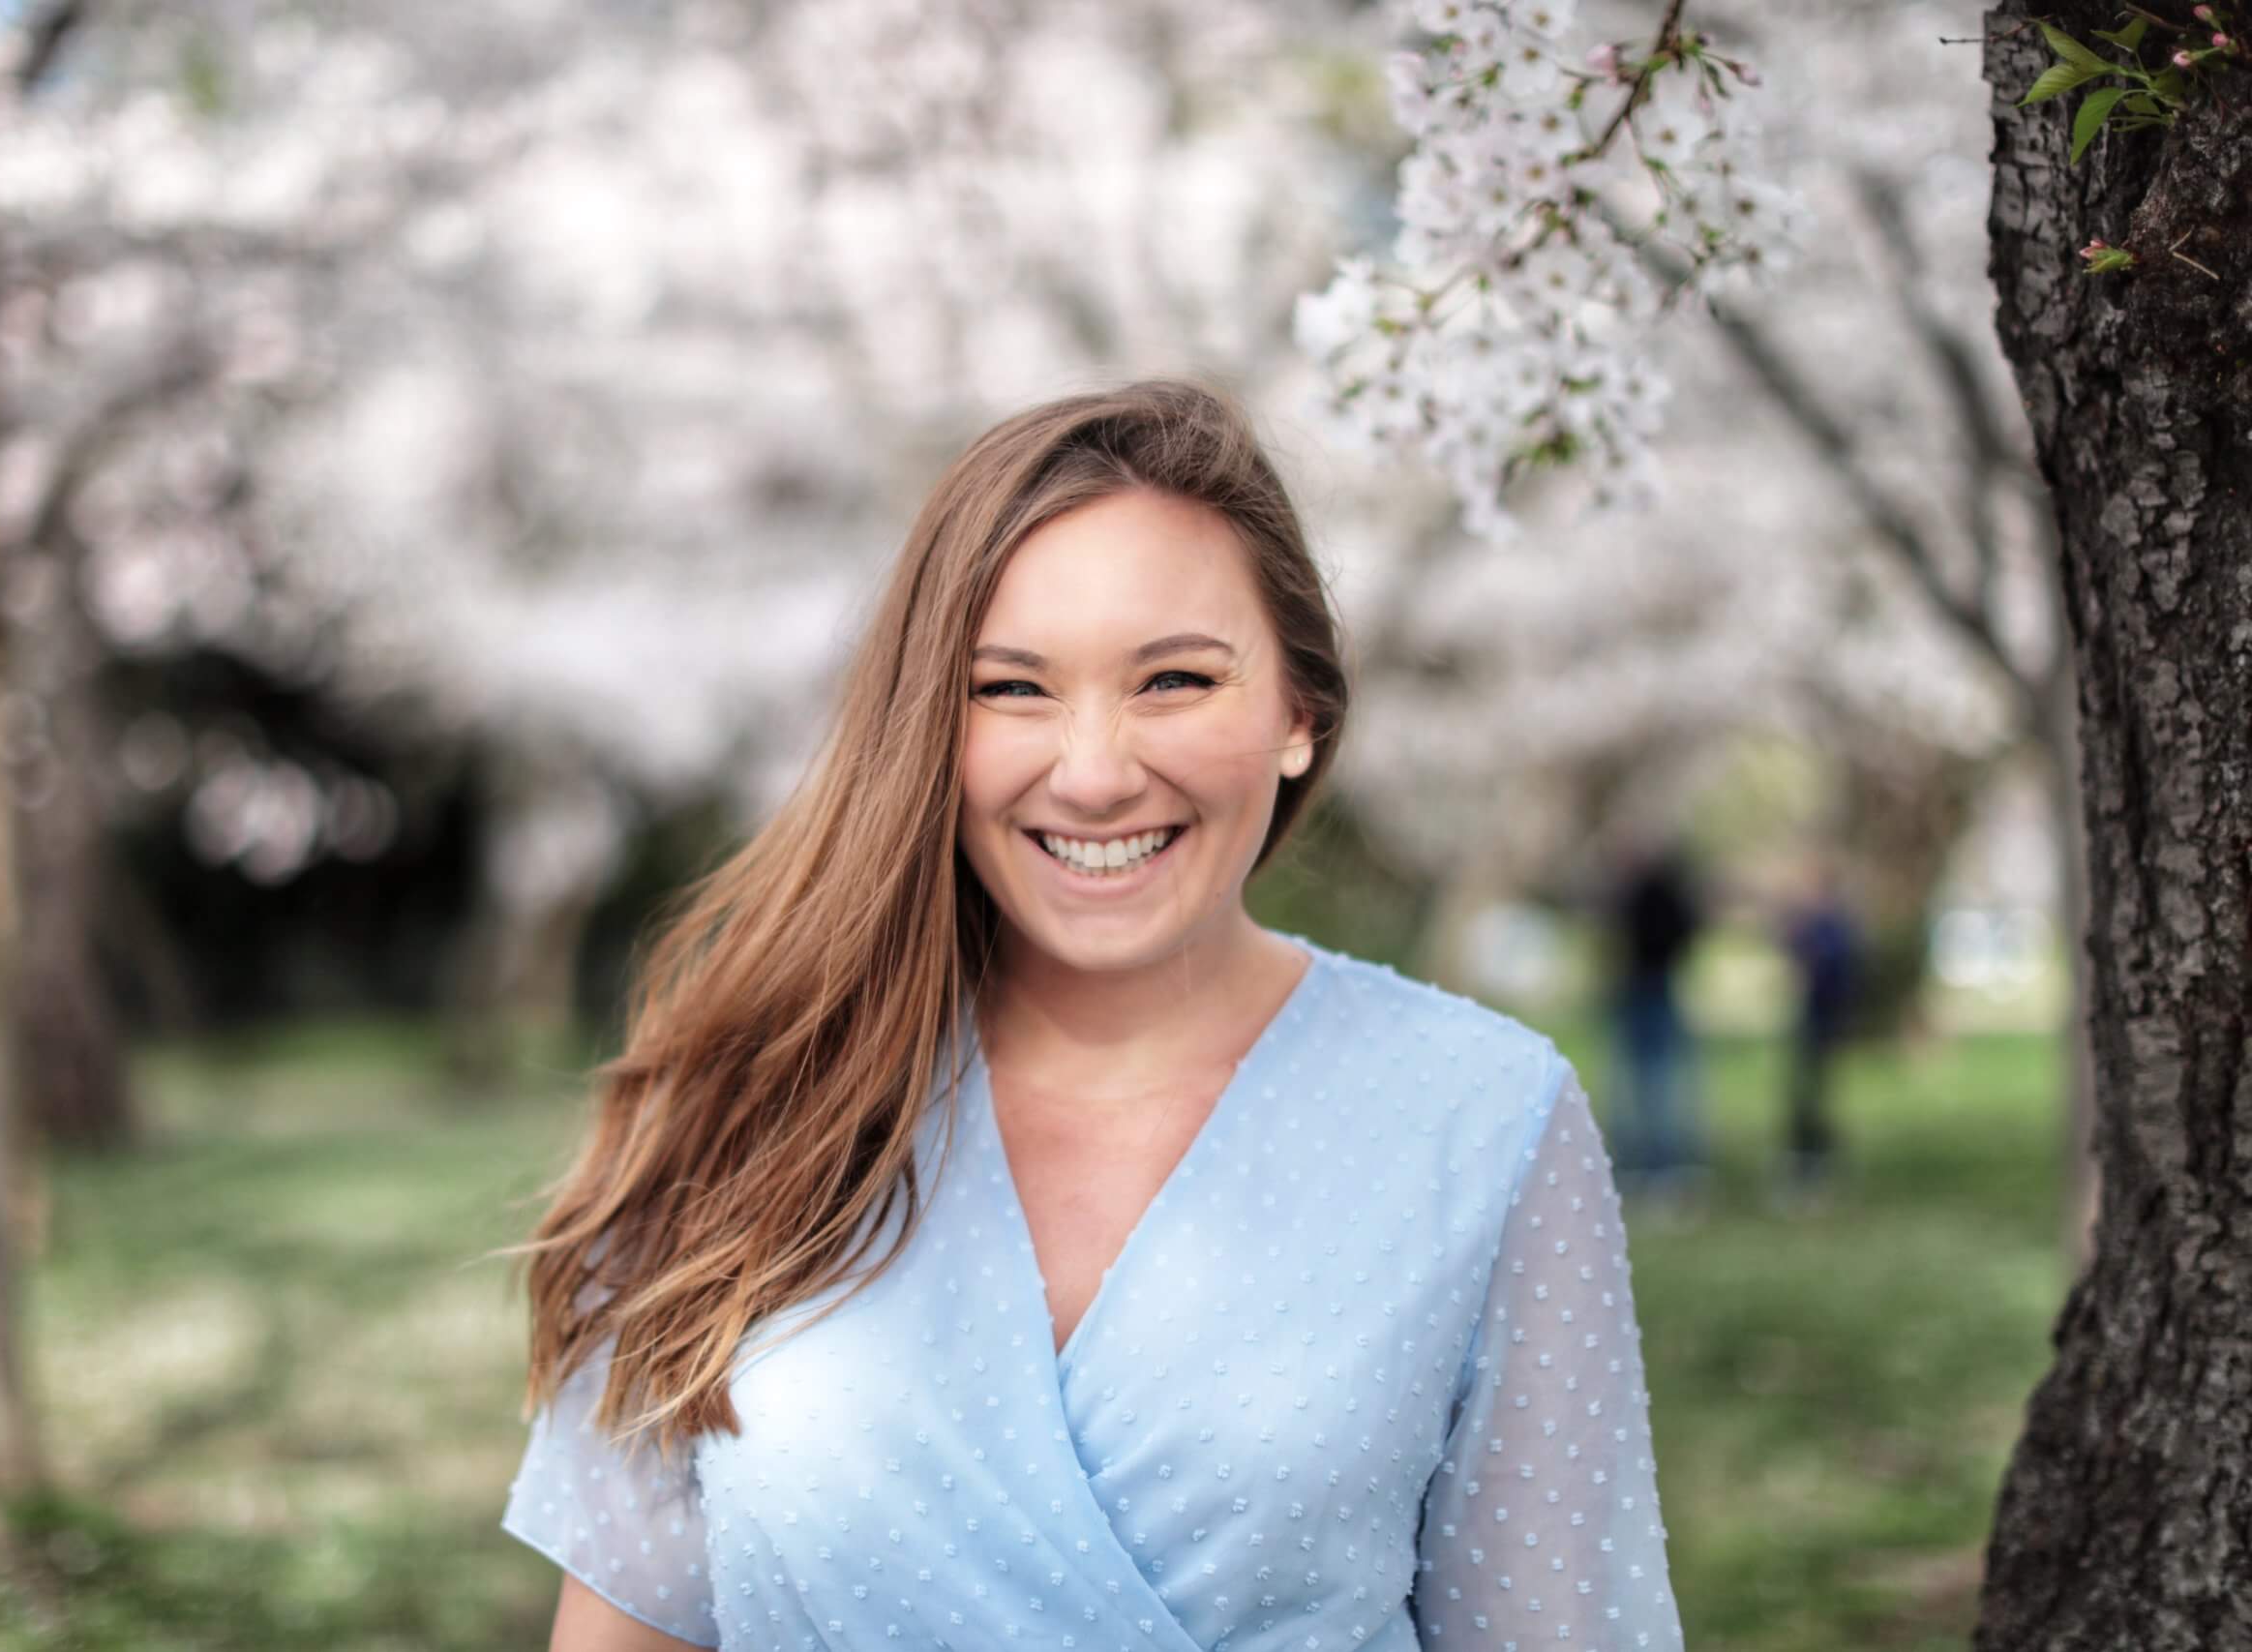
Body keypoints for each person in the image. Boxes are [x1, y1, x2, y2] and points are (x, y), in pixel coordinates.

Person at [497, 380, 1684, 1650]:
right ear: (928, 727)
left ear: (1297, 714)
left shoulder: (1483, 1118)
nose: (1099, 769)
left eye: (1173, 678)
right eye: (1012, 688)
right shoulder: (743, 1106)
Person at [1604, 839, 1708, 1212]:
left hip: (1648, 989)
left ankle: (1660, 1167)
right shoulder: (1658, 897)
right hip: (1649, 990)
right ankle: (1649, 1166)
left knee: (1653, 1086)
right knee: (1648, 1085)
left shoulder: (1648, 898)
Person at [1780, 855, 1862, 1205]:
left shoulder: (1833, 927)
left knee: (1814, 1096)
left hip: (1824, 1019)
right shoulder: (1817, 924)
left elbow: (1834, 970)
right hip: (1811, 1017)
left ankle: (1815, 1162)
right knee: (1804, 1094)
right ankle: (1804, 1158)